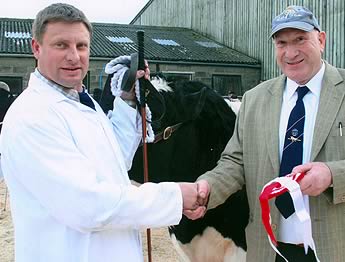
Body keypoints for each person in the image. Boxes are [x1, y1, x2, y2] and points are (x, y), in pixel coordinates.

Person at [0, 3, 204, 262]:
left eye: (81, 46)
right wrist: (174, 198)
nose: (74, 56)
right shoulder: (33, 116)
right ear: (36, 48)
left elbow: (114, 162)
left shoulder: (83, 103)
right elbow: (89, 206)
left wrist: (128, 101)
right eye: (61, 45)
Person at [192, 5, 345, 262]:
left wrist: (332, 175)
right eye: (282, 43)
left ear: (321, 39)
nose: (291, 52)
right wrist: (207, 188)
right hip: (270, 250)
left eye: (300, 39)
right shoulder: (254, 99)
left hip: (342, 248)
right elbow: (235, 162)